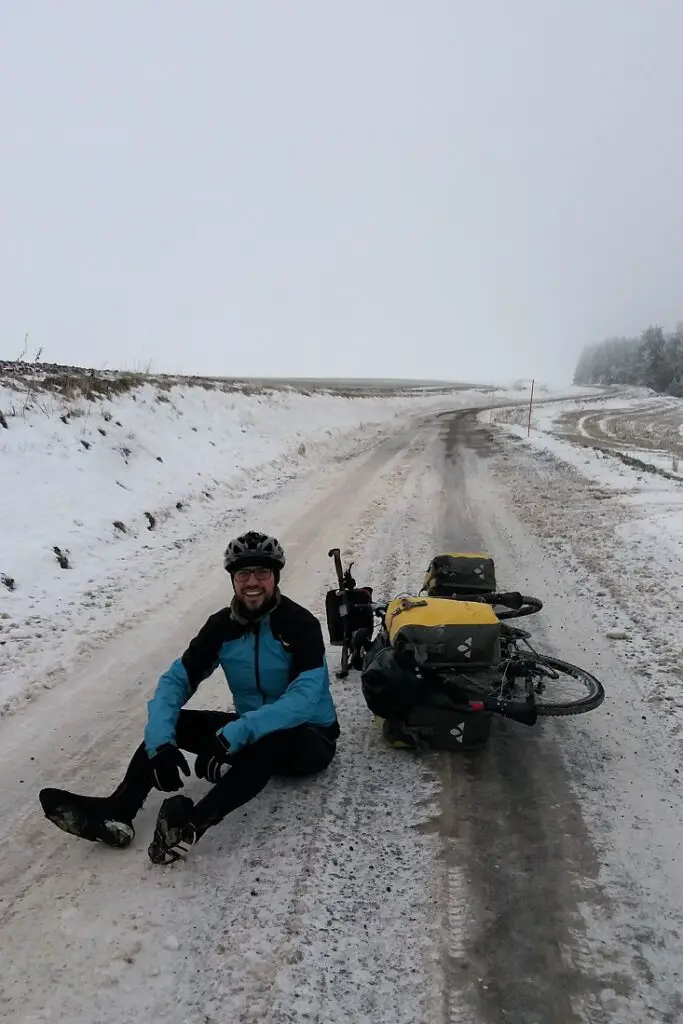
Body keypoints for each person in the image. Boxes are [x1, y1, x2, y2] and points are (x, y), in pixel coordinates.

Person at [39, 531, 340, 865]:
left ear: (276, 577)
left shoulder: (300, 625)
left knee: (266, 742)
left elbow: (303, 700)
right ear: (232, 579)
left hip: (310, 737)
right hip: (251, 732)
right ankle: (117, 813)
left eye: (262, 573)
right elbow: (175, 682)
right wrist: (161, 746)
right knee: (176, 723)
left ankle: (191, 826)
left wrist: (234, 736)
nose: (252, 582)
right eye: (243, 573)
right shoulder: (221, 627)